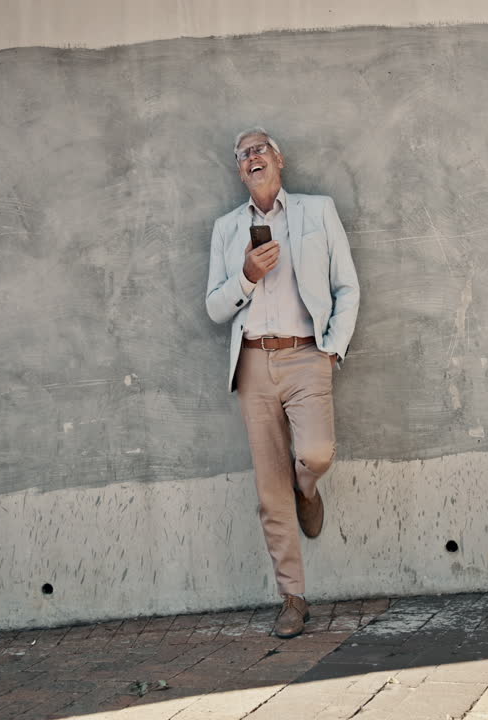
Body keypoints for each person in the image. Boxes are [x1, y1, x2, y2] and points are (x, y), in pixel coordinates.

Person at [205, 127, 360, 638]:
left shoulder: (317, 212)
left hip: (306, 355)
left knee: (315, 454)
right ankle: (292, 597)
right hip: (252, 363)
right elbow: (213, 306)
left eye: (260, 149)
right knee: (270, 491)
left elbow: (347, 286)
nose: (253, 157)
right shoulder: (228, 229)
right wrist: (247, 275)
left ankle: (308, 488)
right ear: (240, 169)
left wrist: (332, 347)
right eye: (243, 153)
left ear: (279, 159)